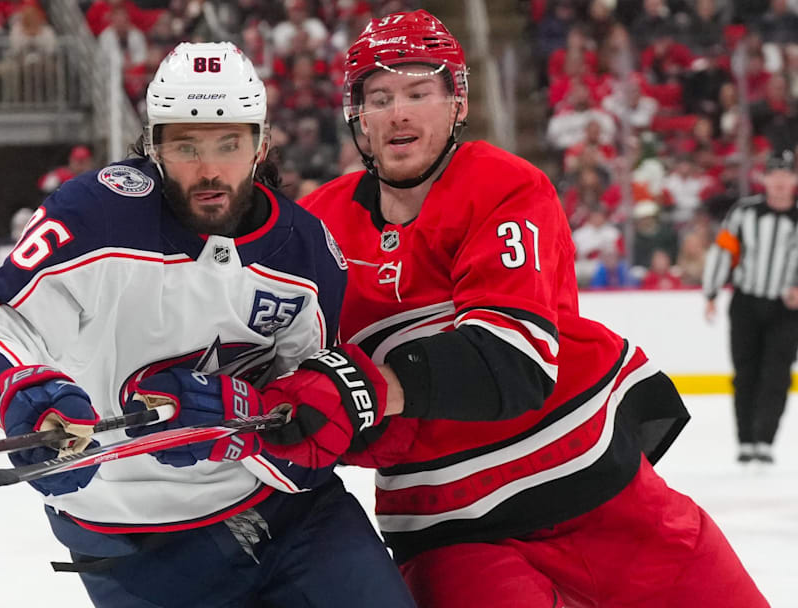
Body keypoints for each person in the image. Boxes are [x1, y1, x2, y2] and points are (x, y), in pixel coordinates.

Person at [158, 12, 768, 607]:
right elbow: (277, 356)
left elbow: (513, 363)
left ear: (457, 104)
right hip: (450, 529)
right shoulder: (316, 225)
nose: (398, 112)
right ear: (357, 116)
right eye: (379, 98)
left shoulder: (506, 186)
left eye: (418, 92)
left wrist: (369, 388)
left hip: (602, 496)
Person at [0, 42, 414, 608]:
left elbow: (312, 428)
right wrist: (25, 394)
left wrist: (241, 423)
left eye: (228, 144)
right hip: (128, 541)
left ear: (261, 145)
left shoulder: (308, 253)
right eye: (185, 145)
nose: (208, 169)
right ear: (153, 145)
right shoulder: (94, 216)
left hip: (291, 518)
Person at [703, 149, 798, 465]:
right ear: (765, 178)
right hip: (746, 302)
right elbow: (723, 251)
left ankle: (764, 439)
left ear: (794, 178)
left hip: (786, 309)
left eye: (786, 174)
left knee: (777, 374)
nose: (780, 181)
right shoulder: (744, 213)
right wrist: (711, 292)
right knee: (745, 372)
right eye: (775, 174)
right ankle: (745, 440)